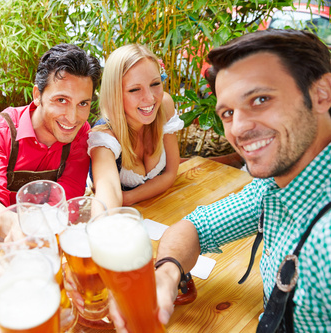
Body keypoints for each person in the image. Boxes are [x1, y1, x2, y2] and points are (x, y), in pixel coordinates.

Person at [110, 29, 331, 332]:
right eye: (227, 112)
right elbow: (197, 226)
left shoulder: (325, 241)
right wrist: (166, 275)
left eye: (261, 99)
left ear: (322, 94)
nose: (238, 128)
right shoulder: (278, 184)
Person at [0, 43, 102, 238]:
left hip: (51, 227)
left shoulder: (81, 133)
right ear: (37, 96)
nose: (73, 118)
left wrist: (33, 231)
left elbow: (69, 194)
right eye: (61, 100)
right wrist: (10, 231)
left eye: (82, 103)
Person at [88, 44, 183, 209]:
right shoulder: (104, 136)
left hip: (164, 208)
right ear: (114, 93)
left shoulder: (164, 106)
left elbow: (170, 174)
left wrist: (129, 197)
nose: (150, 98)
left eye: (155, 84)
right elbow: (107, 199)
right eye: (134, 90)